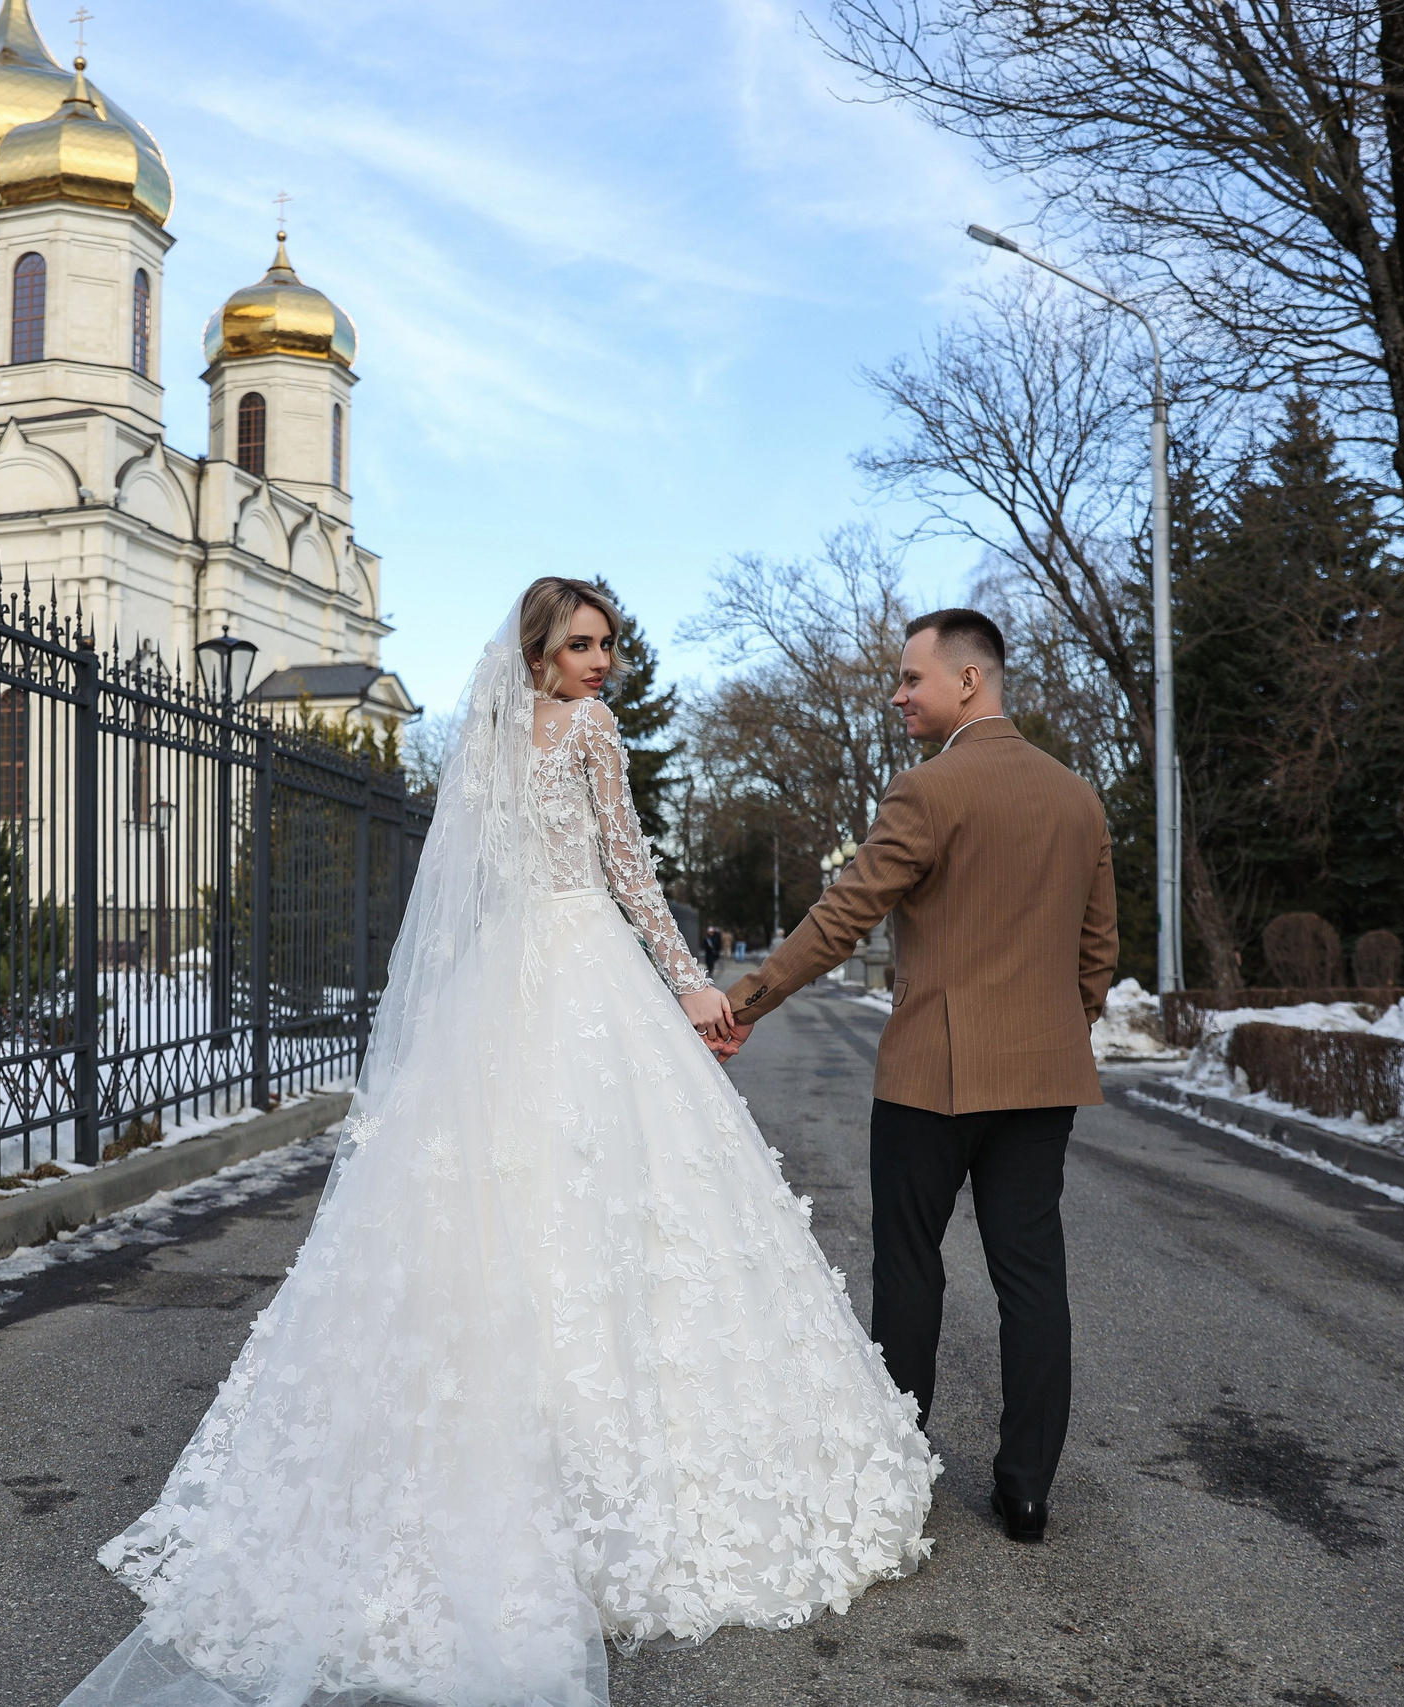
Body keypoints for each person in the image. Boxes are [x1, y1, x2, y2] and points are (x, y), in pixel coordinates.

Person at [66, 579, 937, 1707]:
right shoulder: (590, 732)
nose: (601, 664)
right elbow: (626, 873)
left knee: (495, 1210)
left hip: (501, 988)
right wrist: (690, 989)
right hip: (581, 974)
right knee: (610, 1204)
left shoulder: (481, 736)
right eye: (580, 645)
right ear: (536, 653)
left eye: (608, 645)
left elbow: (472, 889)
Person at [717, 608, 1116, 1547]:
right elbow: (1096, 950)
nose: (897, 695)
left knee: (909, 1266)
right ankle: (1026, 1492)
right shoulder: (1078, 798)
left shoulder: (929, 791)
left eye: (910, 678)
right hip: (1041, 1076)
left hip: (930, 1078)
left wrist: (747, 999)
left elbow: (841, 916)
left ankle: (900, 1465)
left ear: (968, 682)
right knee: (1033, 1273)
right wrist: (1062, 1025)